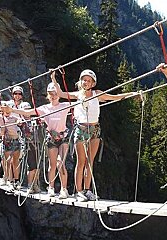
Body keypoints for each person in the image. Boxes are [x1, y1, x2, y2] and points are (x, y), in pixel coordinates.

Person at [51, 69, 138, 201]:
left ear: (93, 83)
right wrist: (53, 78)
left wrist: (132, 94)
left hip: (94, 129)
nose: (86, 82)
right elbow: (60, 93)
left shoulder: (97, 94)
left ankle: (87, 190)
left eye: (89, 80)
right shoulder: (77, 95)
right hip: (81, 130)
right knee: (81, 162)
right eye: (84, 80)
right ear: (81, 81)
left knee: (89, 162)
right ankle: (79, 191)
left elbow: (113, 97)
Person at [3, 82, 71, 199]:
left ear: (59, 94)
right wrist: (12, 110)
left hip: (63, 137)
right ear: (48, 96)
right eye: (51, 94)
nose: (53, 96)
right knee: (52, 164)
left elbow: (81, 101)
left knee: (60, 163)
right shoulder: (44, 109)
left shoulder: (64, 106)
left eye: (55, 93)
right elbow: (27, 113)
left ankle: (64, 189)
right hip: (51, 139)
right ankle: (51, 188)